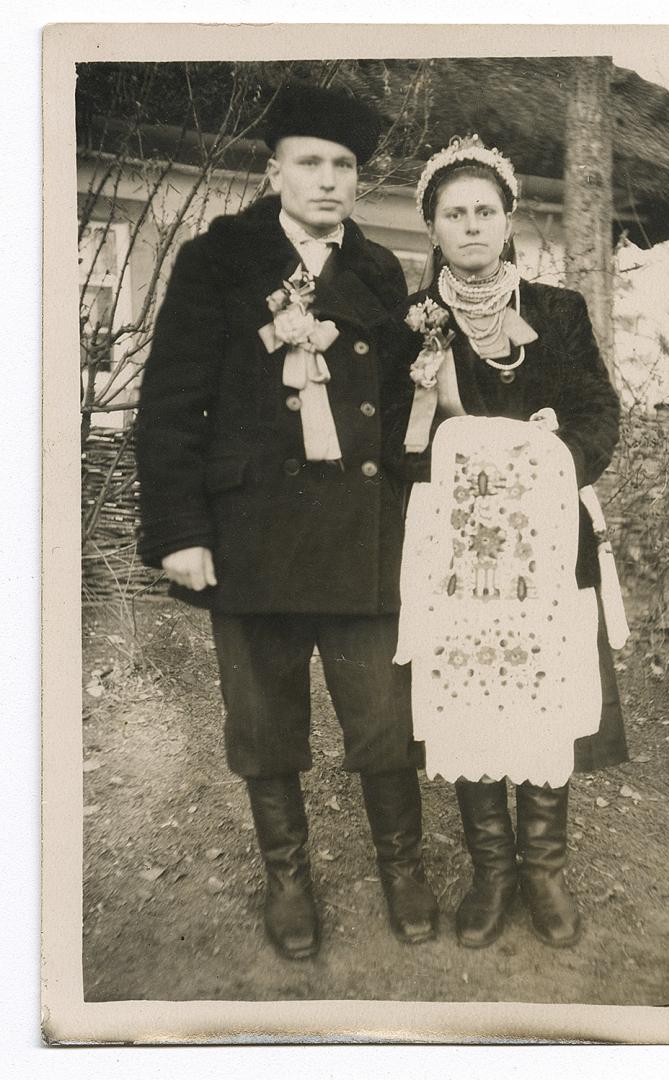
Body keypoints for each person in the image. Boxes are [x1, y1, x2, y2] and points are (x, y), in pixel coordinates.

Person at [135, 83, 438, 961]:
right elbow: (171, 404)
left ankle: (402, 865)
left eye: (344, 165)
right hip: (251, 536)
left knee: (384, 715)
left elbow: (402, 408)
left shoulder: (380, 271)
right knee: (264, 721)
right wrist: (179, 530)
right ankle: (289, 878)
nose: (330, 180)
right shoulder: (218, 258)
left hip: (362, 539)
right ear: (274, 171)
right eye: (310, 161)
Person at [385, 135, 628, 950]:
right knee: (470, 699)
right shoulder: (415, 325)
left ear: (508, 218)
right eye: (453, 214)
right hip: (457, 556)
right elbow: (400, 442)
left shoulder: (557, 312)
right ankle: (491, 869)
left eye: (484, 211)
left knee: (542, 697)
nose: (471, 226)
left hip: (547, 548)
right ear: (432, 228)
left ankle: (543, 870)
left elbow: (599, 415)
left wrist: (552, 451)